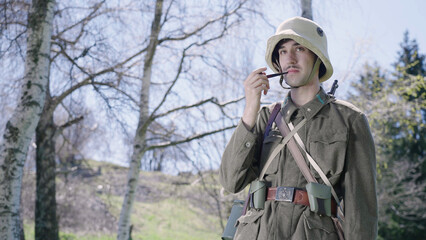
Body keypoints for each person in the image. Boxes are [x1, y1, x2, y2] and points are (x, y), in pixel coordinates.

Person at [219, 17, 378, 240]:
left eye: (299, 48)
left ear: (317, 57)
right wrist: (250, 110)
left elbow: (361, 211)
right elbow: (230, 181)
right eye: (282, 51)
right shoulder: (264, 117)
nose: (289, 59)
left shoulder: (349, 120)